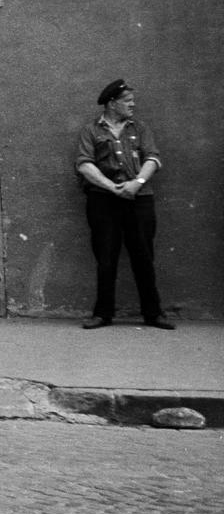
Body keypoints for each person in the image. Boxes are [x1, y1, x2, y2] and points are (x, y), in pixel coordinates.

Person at [74, 79, 173, 330]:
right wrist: (111, 187)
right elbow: (84, 164)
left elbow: (153, 158)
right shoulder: (91, 130)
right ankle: (102, 314)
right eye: (127, 101)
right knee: (106, 257)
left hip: (139, 200)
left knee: (143, 256)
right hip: (103, 201)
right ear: (112, 104)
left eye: (132, 101)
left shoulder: (139, 128)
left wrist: (137, 183)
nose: (133, 105)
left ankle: (153, 314)